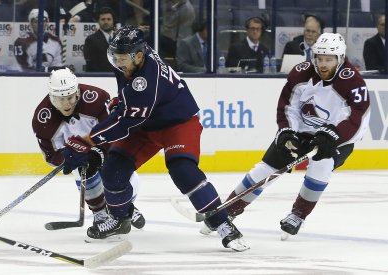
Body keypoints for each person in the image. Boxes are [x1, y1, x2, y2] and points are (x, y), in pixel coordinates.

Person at [59, 26, 249, 251]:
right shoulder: (132, 57)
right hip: (146, 122)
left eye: (121, 59)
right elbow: (129, 105)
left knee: (183, 170)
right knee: (113, 169)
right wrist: (123, 101)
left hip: (178, 122)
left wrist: (87, 142)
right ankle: (120, 219)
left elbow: (124, 122)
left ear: (139, 56)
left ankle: (223, 224)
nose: (117, 63)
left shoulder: (146, 80)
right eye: (115, 57)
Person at [220, 33, 370, 238]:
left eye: (329, 59)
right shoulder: (301, 73)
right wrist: (288, 131)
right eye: (320, 58)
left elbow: (356, 118)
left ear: (340, 59)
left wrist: (332, 135)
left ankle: (298, 215)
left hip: (340, 137)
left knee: (322, 164)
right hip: (302, 131)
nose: (323, 64)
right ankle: (228, 211)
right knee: (266, 169)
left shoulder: (352, 81)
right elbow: (288, 107)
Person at [31, 68, 146, 233]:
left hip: (106, 148)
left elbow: (116, 133)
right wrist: (67, 157)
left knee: (124, 174)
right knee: (82, 169)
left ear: (77, 92)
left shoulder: (97, 99)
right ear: (51, 96)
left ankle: (124, 206)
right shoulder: (43, 119)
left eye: (70, 97)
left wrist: (98, 152)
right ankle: (100, 214)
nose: (67, 104)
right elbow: (50, 156)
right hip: (79, 156)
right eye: (60, 99)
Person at [83, 7, 115, 72]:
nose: (106, 22)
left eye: (109, 19)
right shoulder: (91, 40)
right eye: (103, 19)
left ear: (113, 21)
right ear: (98, 21)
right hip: (99, 78)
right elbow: (91, 64)